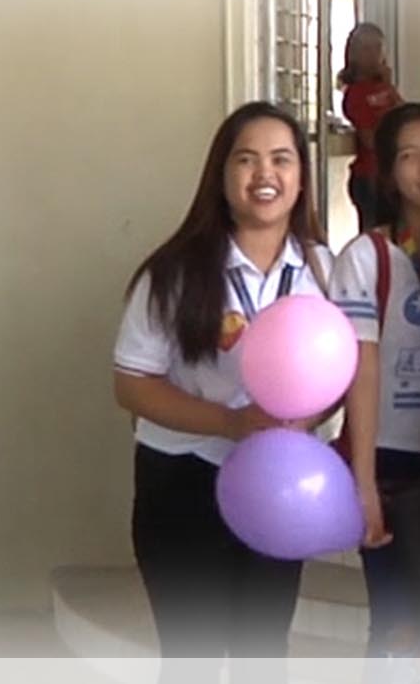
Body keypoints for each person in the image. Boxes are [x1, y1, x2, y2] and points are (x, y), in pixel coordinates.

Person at [111, 102, 333, 684]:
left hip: (279, 483)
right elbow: (131, 385)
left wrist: (305, 417)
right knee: (192, 660)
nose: (265, 175)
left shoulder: (323, 269)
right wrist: (228, 423)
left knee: (265, 656)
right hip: (184, 481)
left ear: (302, 177)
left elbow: (341, 371)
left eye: (281, 160)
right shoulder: (175, 272)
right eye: (247, 160)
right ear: (222, 175)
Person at [334, 103, 420, 671]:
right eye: (407, 156)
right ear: (387, 174)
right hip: (391, 458)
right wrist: (362, 481)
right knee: (397, 625)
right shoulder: (369, 257)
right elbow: (359, 369)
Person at [342, 22, 404, 234]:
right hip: (370, 178)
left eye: (378, 48)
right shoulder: (355, 93)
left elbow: (406, 117)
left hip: (391, 175)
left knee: (401, 233)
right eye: (367, 48)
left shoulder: (385, 87)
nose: (374, 54)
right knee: (375, 236)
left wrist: (389, 86)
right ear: (354, 54)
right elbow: (370, 139)